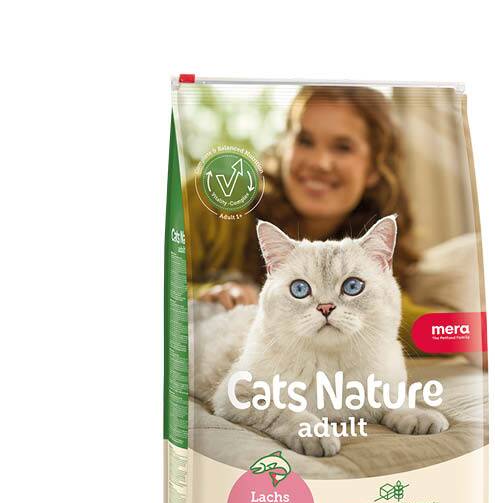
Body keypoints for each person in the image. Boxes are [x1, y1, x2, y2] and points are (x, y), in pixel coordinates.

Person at [185, 85, 436, 354]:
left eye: (342, 147)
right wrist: (208, 294)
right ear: (285, 146)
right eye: (304, 141)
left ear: (375, 167)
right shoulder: (215, 196)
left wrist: (466, 332)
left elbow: (414, 324)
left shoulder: (362, 255)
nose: (319, 162)